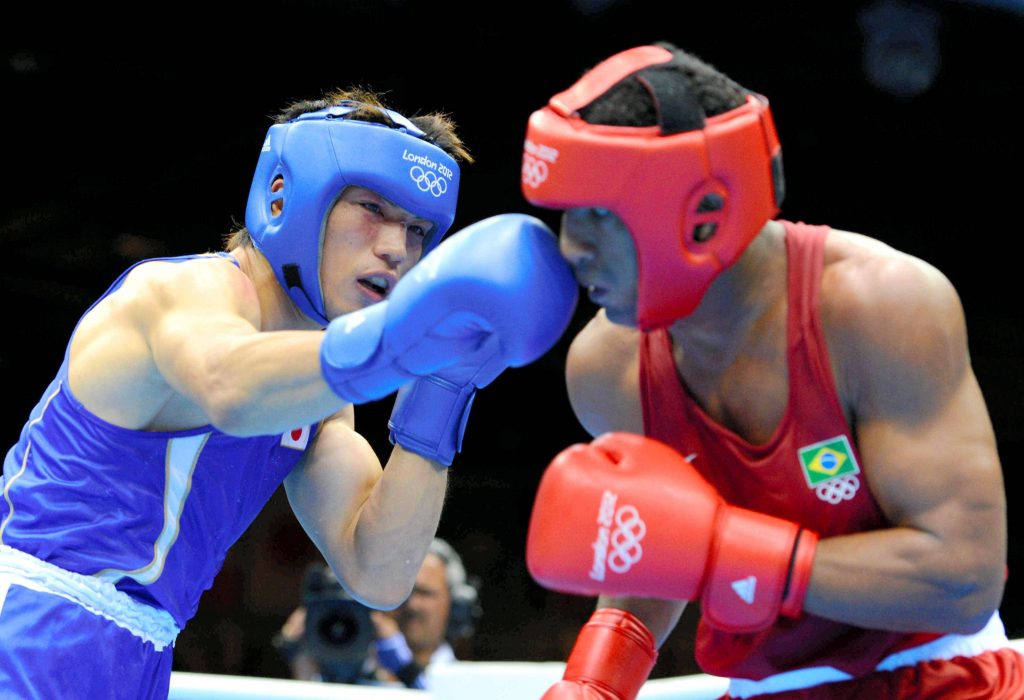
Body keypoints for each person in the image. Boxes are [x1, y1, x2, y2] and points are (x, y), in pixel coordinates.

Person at [0, 88, 577, 699]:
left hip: (139, 652)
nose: (396, 248)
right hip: (31, 619)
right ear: (284, 197)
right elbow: (230, 385)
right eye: (372, 208)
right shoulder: (182, 292)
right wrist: (408, 338)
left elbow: (378, 572)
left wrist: (444, 384)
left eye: (417, 229)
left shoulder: (322, 394)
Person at [520, 42, 1024, 698]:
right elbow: (655, 552)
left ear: (700, 212)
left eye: (598, 213)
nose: (571, 248)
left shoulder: (878, 307)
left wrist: (731, 550)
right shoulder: (607, 366)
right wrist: (597, 682)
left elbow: (961, 577)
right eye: (564, 214)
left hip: (941, 679)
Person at [276, 537, 479, 688]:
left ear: (456, 606)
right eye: (400, 591)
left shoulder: (468, 683)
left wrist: (404, 667)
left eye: (424, 593)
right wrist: (303, 671)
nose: (410, 604)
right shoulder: (352, 679)